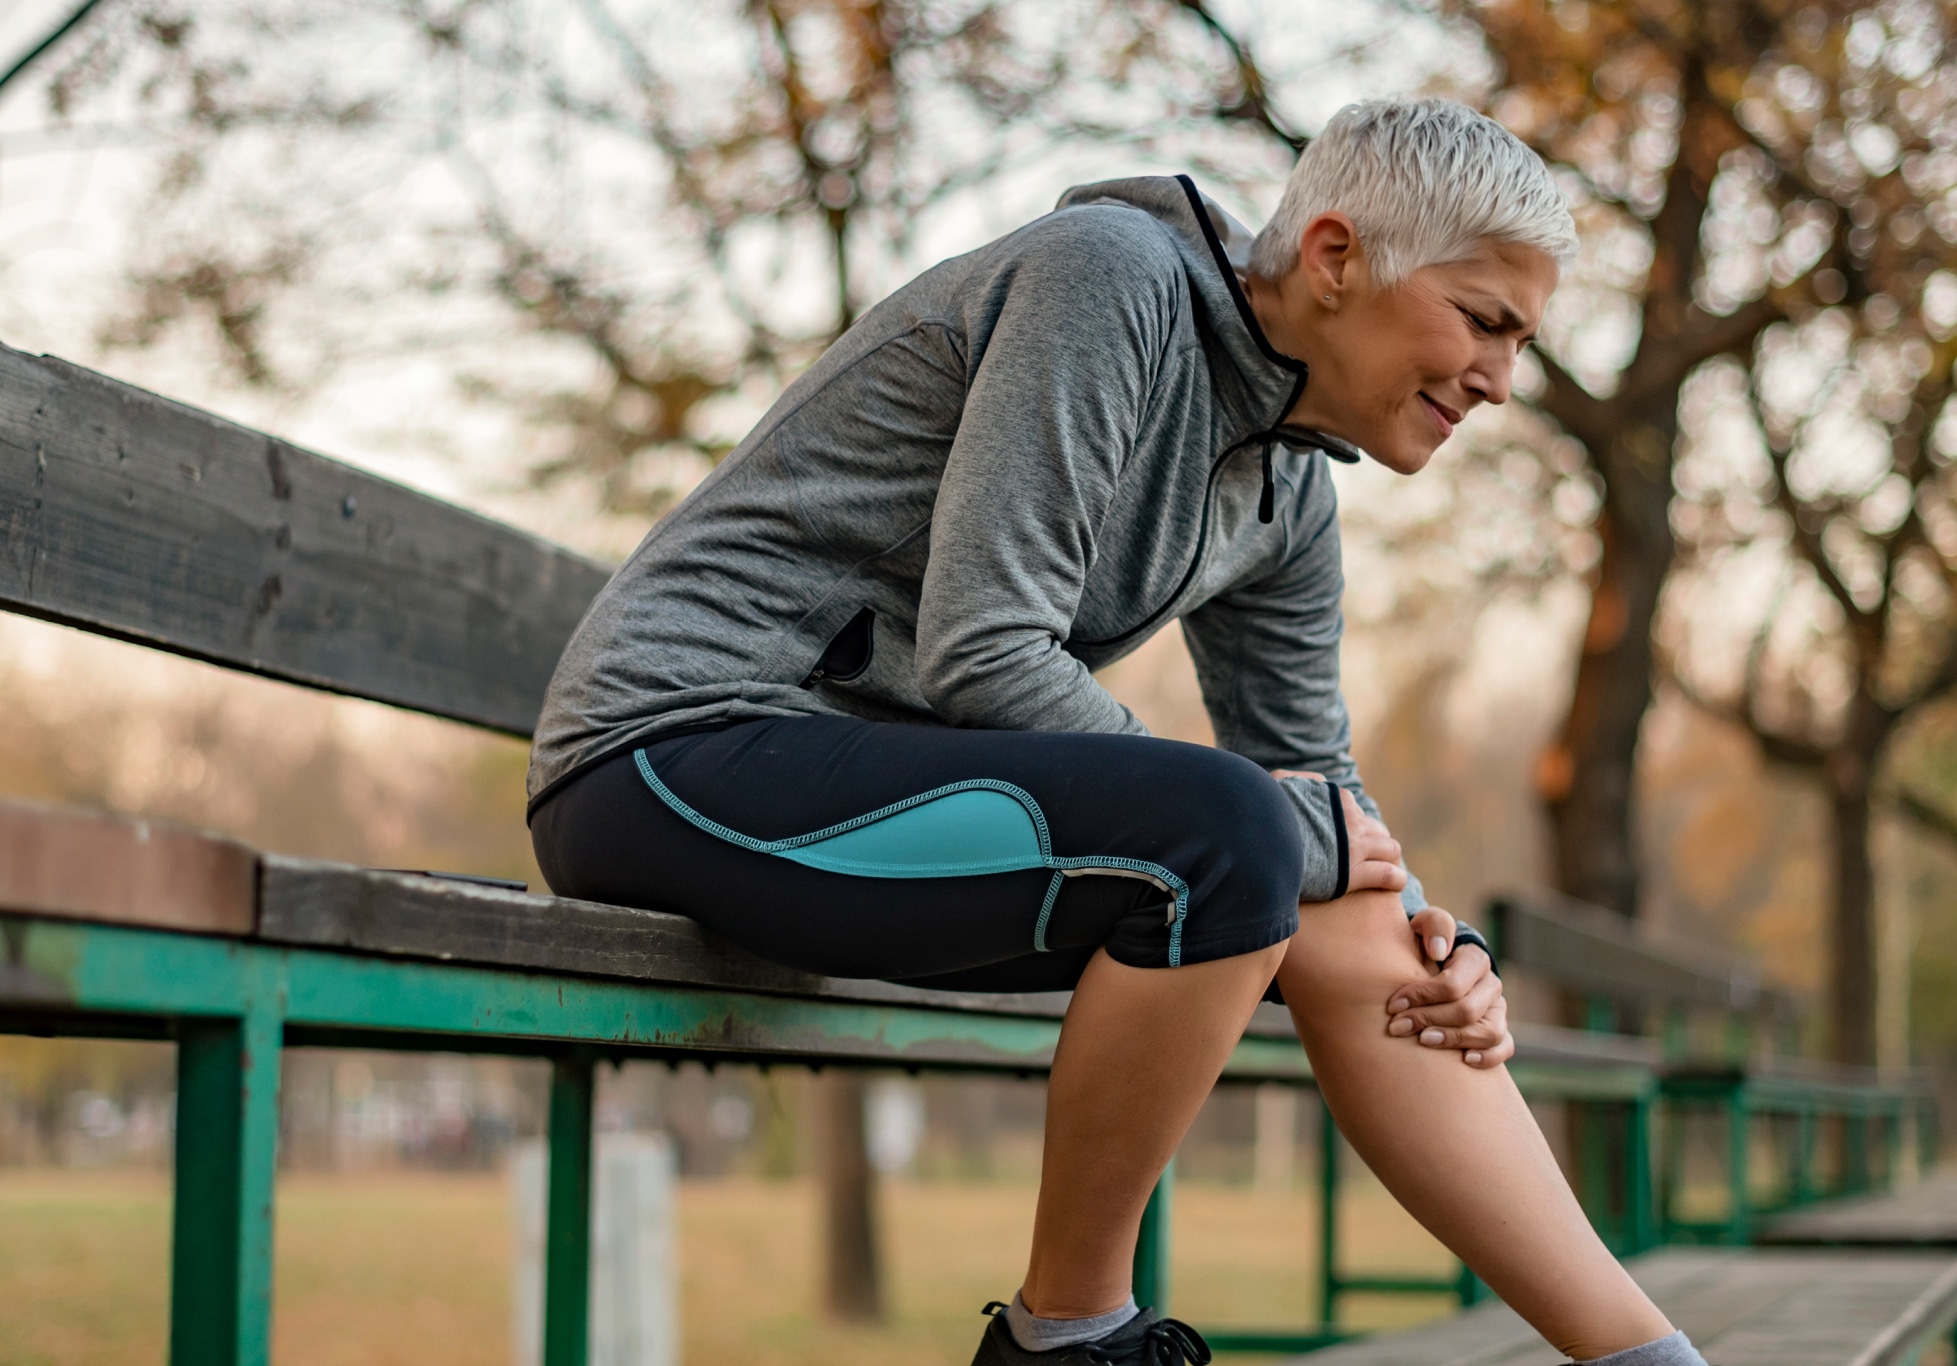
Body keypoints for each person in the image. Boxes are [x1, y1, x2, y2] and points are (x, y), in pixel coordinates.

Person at [525, 98, 1706, 1366]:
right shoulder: (1110, 279)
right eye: (1483, 322)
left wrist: (1433, 930)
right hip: (673, 755)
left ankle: (1643, 1357)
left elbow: (1318, 787)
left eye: (1521, 341)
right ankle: (1069, 1339)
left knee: (1327, 887)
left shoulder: (1291, 486)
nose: (1501, 379)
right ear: (1334, 254)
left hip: (884, 800)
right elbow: (989, 650)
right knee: (1230, 836)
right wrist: (1285, 827)